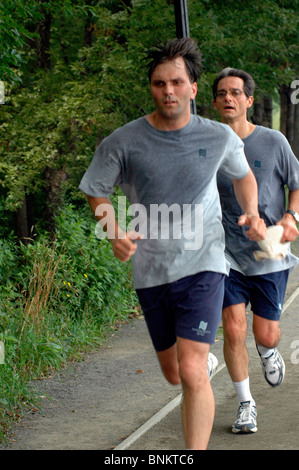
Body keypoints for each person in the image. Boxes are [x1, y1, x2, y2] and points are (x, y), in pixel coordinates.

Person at [79, 39, 266, 450]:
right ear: (151, 87)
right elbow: (96, 190)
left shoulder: (217, 137)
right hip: (152, 270)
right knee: (175, 374)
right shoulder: (125, 141)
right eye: (160, 83)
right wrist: (113, 229)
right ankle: (194, 362)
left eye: (177, 82)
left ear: (193, 88)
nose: (169, 91)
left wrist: (251, 211)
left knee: (192, 371)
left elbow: (243, 175)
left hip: (204, 264)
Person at [213, 67, 299, 434]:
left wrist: (292, 216)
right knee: (233, 328)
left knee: (264, 333)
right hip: (224, 253)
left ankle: (267, 350)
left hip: (269, 252)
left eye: (235, 92)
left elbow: (297, 184)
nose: (228, 98)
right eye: (222, 93)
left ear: (249, 100)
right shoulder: (206, 143)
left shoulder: (273, 141)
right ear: (214, 101)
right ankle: (246, 404)